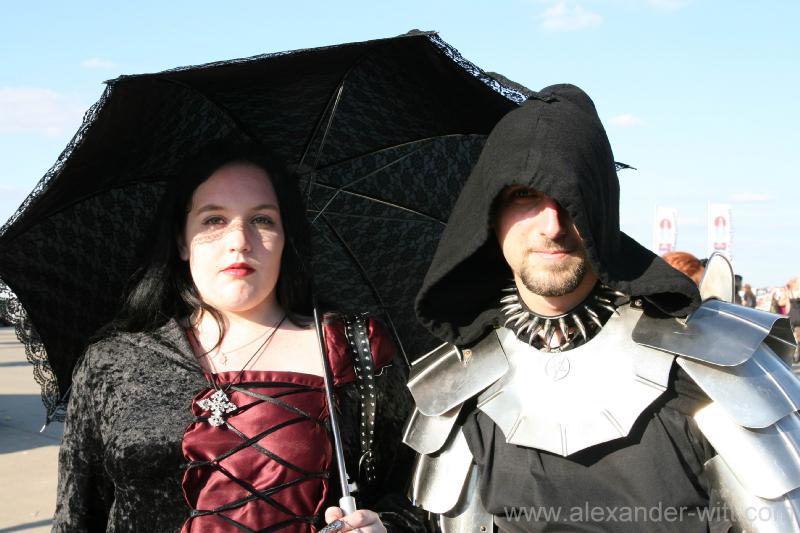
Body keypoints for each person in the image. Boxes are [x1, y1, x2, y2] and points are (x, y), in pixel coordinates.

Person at [403, 85, 799, 532]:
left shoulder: (716, 363)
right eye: (524, 195)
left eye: (570, 196)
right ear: (490, 215)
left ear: (602, 208)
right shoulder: (461, 388)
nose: (552, 225)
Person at [53, 144, 427, 532]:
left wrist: (383, 527)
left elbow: (413, 502)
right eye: (214, 219)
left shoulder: (353, 350)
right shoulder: (115, 364)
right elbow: (76, 519)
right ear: (181, 240)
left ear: (286, 237)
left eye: (262, 220)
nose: (240, 241)